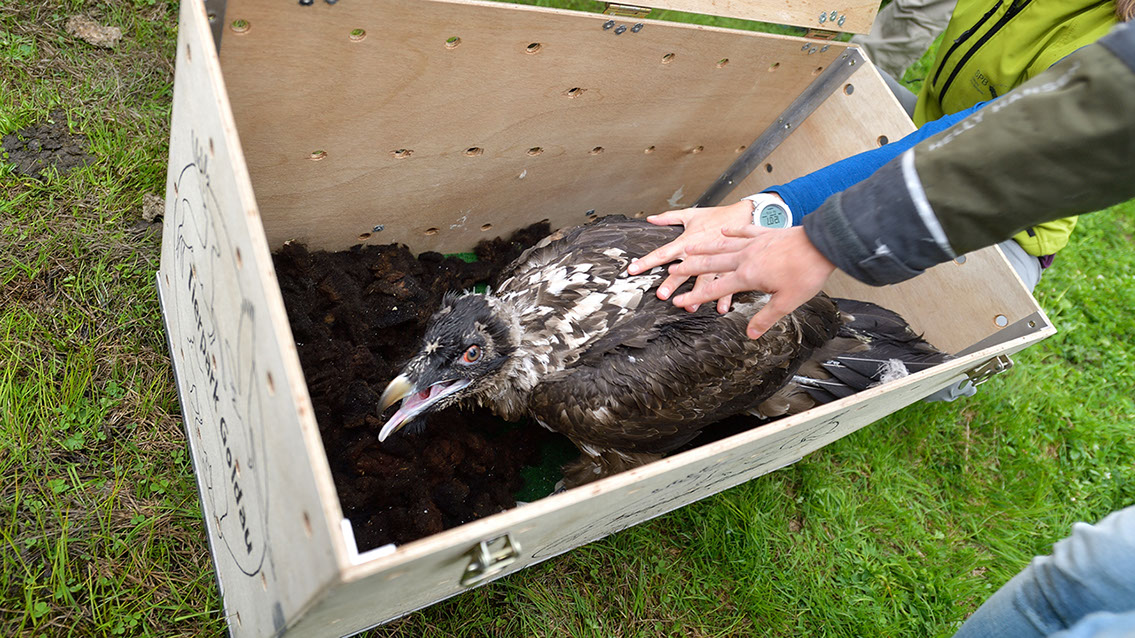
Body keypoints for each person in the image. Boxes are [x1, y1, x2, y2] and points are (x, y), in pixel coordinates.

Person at [634, 25, 1135, 637]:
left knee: (941, 347)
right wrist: (778, 209)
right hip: (944, 127)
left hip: (1015, 211)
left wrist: (818, 231)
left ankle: (943, 375)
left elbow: (1051, 128)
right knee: (1080, 580)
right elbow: (970, 125)